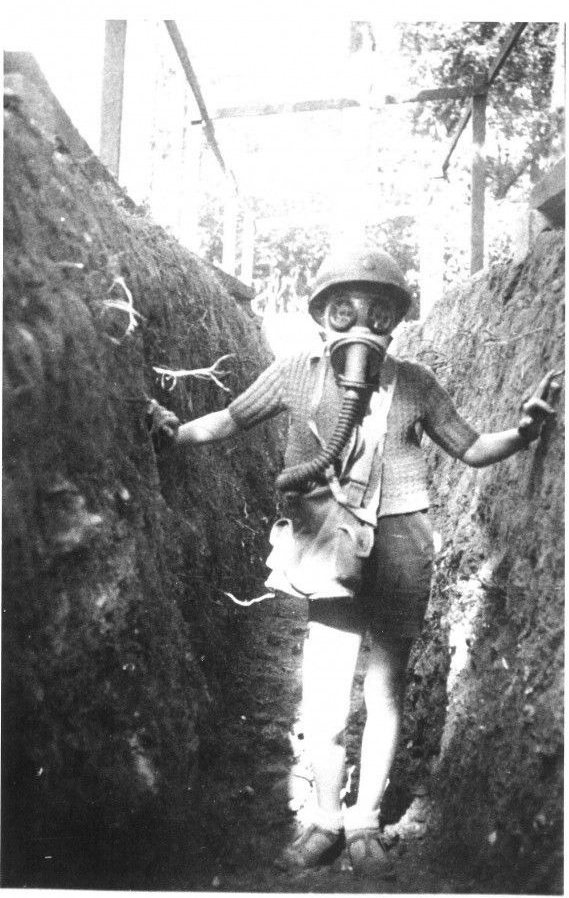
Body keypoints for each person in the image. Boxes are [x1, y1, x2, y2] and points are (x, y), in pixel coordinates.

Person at [147, 246, 559, 878]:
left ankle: (365, 818)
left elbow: (472, 447)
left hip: (400, 545)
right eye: (345, 310)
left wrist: (525, 432)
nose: (361, 325)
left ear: (397, 320)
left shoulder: (415, 383)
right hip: (328, 544)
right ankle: (323, 817)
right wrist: (175, 433)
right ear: (321, 317)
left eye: (379, 310)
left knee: (385, 689)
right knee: (326, 696)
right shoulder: (295, 374)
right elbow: (229, 420)